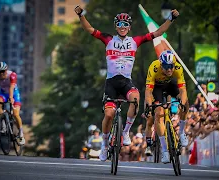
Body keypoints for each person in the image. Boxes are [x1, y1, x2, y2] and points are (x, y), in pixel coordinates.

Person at [74, 5, 180, 162]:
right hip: (111, 82)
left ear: (129, 27)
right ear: (116, 26)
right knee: (109, 115)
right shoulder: (108, 39)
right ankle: (104, 145)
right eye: (119, 24)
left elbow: (157, 33)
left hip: (126, 82)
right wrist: (81, 15)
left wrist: (170, 19)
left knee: (135, 99)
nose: (122, 27)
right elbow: (90, 29)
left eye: (125, 24)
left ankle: (125, 132)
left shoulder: (135, 41)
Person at [144, 50, 188, 163]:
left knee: (186, 103)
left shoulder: (178, 68)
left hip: (170, 85)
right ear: (161, 64)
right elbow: (148, 91)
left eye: (171, 66)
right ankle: (164, 150)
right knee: (159, 113)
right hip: (157, 87)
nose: (169, 69)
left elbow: (183, 90)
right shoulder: (154, 67)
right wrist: (149, 105)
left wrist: (182, 103)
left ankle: (182, 132)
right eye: (166, 66)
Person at [0, 62, 25, 145]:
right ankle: (3, 123)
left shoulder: (12, 75)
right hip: (3, 93)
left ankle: (21, 133)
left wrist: (11, 98)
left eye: (3, 71)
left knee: (15, 114)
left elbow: (11, 87)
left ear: (6, 70)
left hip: (14, 94)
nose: (1, 74)